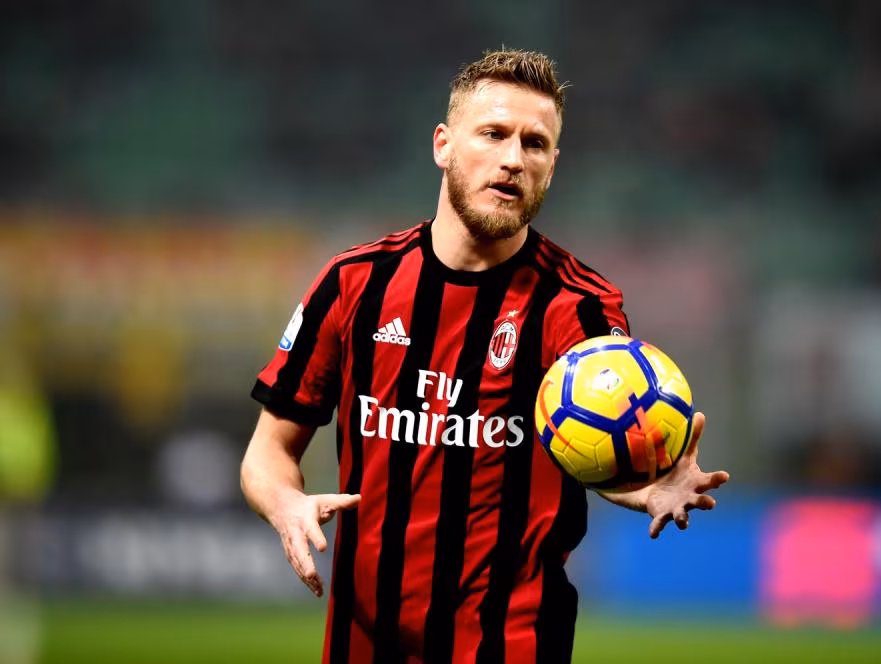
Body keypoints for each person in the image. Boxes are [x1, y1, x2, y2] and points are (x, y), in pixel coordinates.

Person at [241, 48, 729, 664]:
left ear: (552, 166)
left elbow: (595, 442)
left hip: (511, 642)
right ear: (443, 145)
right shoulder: (354, 284)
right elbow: (267, 453)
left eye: (535, 143)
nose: (513, 159)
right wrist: (285, 503)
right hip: (362, 641)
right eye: (494, 134)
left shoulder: (577, 308)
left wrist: (647, 482)